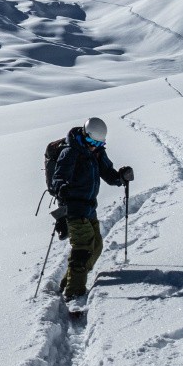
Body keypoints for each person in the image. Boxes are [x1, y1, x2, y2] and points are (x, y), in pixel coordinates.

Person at [48, 116, 133, 304]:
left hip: (89, 207)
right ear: (85, 136)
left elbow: (109, 174)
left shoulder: (97, 152)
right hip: (72, 208)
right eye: (92, 142)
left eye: (99, 142)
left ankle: (68, 282)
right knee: (83, 248)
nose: (95, 146)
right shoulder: (70, 152)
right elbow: (58, 177)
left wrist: (121, 177)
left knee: (96, 246)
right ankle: (74, 294)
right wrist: (61, 187)